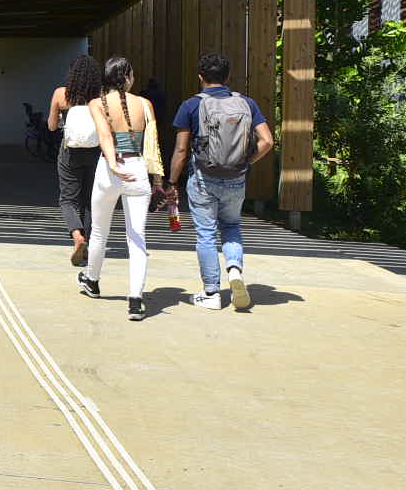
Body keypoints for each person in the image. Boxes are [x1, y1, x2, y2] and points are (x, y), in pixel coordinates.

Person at [167, 53, 275, 311]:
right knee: (231, 225)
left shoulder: (191, 105)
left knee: (206, 234)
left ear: (201, 78)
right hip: (236, 178)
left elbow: (181, 151)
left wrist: (172, 183)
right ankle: (234, 269)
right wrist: (246, 162)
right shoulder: (247, 103)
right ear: (228, 77)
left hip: (204, 178)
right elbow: (268, 141)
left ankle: (212, 292)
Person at [78, 57, 167, 321]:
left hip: (108, 168)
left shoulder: (97, 103)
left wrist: (114, 164)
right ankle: (135, 300)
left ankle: (92, 281)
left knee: (99, 231)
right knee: (137, 237)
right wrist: (158, 181)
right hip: (138, 169)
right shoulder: (145, 104)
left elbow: (105, 136)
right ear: (127, 76)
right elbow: (152, 143)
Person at [46, 55, 103, 266]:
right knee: (89, 199)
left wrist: (62, 119)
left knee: (68, 198)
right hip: (95, 152)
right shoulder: (101, 97)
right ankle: (86, 240)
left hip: (69, 152)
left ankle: (77, 236)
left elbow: (51, 126)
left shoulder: (61, 94)